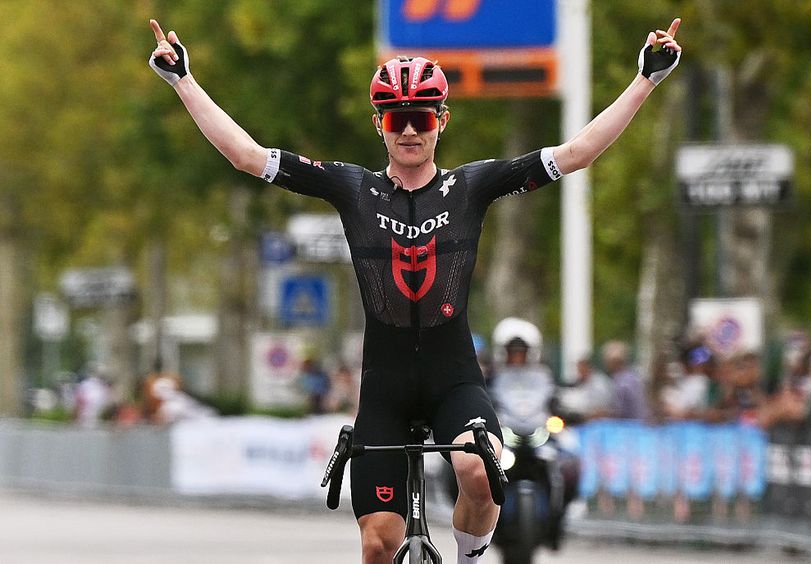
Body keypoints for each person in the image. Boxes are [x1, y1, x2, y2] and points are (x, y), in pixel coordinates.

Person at [148, 16, 682, 564]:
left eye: (421, 117)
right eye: (397, 118)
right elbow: (248, 156)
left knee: (477, 469)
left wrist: (646, 78)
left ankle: (470, 558)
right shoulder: (353, 188)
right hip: (385, 386)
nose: (409, 130)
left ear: (441, 121)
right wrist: (182, 80)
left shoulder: (472, 186)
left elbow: (578, 153)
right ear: (380, 123)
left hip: (454, 379)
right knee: (379, 544)